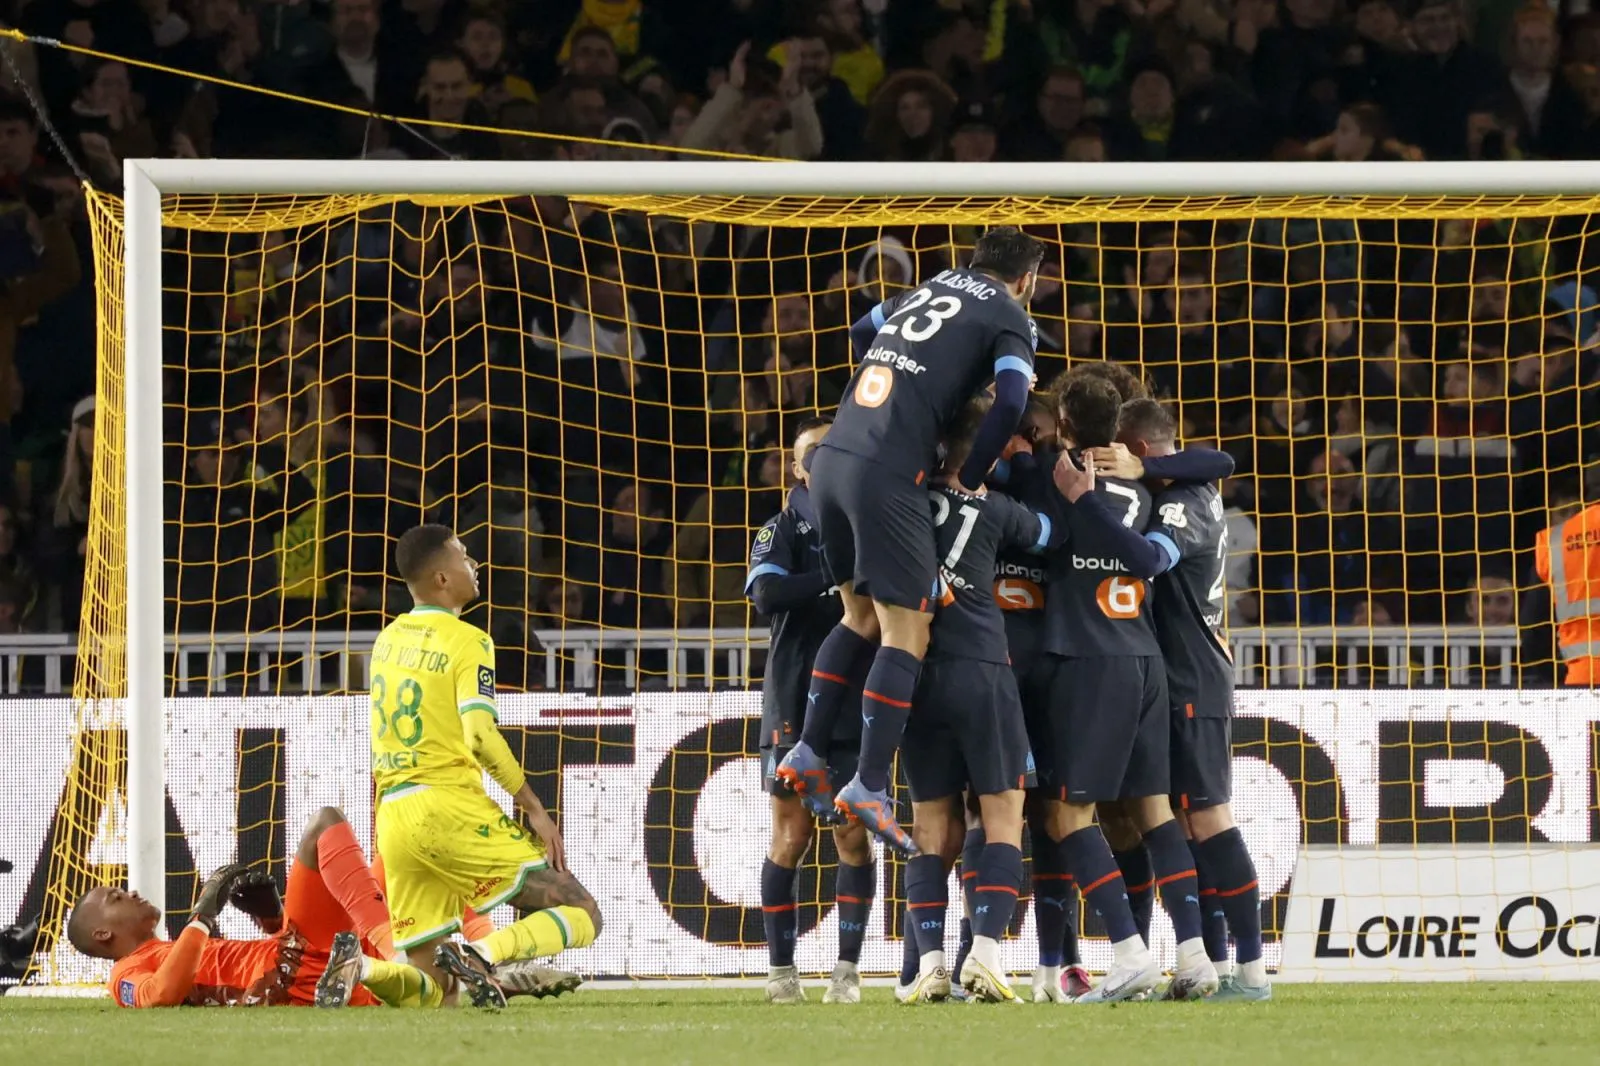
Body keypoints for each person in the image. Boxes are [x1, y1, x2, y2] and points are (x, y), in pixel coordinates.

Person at [778, 226, 1044, 856]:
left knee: (858, 613)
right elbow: (1010, 401)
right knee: (910, 627)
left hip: (836, 456)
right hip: (887, 471)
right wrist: (975, 470)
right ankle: (869, 782)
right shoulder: (1009, 314)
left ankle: (810, 748)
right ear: (1027, 280)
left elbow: (860, 335)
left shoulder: (931, 288)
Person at [1026, 373, 1214, 1003]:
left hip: (1088, 660)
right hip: (1145, 659)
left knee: (1064, 814)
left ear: (1066, 428)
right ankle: (1193, 955)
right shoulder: (1146, 488)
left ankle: (1130, 952)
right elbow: (1215, 462)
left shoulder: (1057, 480)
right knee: (1152, 811)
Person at [370, 524, 603, 1008]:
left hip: (394, 813)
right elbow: (478, 735)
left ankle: (362, 967)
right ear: (440, 578)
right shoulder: (467, 640)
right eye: (462, 554)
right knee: (582, 910)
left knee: (438, 990)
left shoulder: (387, 641)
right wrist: (533, 806)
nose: (472, 562)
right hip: (446, 805)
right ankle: (481, 954)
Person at [1106, 398, 1269, 1001]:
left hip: (1195, 677)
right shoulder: (1190, 485)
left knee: (1207, 817)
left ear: (1139, 450)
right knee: (1181, 821)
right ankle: (1216, 962)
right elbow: (1216, 459)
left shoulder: (1183, 503)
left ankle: (1252, 973)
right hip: (1178, 676)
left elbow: (1153, 558)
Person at [895, 396, 1049, 1004]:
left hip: (913, 675)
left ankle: (928, 965)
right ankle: (985, 953)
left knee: (931, 829)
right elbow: (1049, 533)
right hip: (983, 670)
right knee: (1004, 814)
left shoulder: (900, 503)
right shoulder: (996, 510)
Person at [745, 416, 875, 1006]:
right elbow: (767, 594)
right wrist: (836, 575)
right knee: (792, 834)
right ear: (797, 469)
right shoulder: (783, 527)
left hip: (858, 700)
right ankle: (781, 974)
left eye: (834, 450)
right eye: (813, 454)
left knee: (853, 835)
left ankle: (846, 973)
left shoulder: (869, 518)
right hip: (795, 699)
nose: (825, 459)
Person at [68, 808, 432, 1008]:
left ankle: (478, 956)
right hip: (298, 975)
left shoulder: (167, 950)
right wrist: (203, 917)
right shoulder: (124, 976)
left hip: (315, 965)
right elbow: (159, 996)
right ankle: (396, 953)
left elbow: (237, 969)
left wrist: (273, 920)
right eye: (115, 897)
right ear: (103, 934)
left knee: (407, 846)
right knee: (325, 824)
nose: (130, 892)